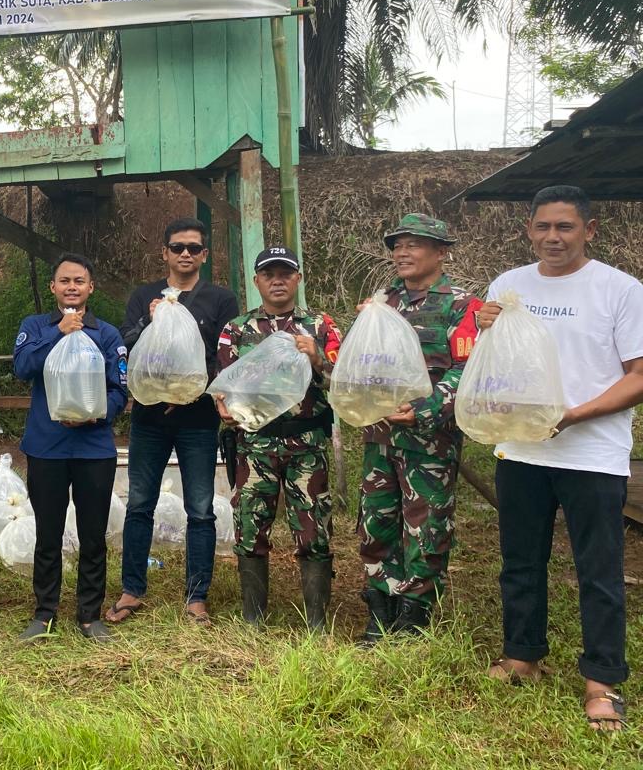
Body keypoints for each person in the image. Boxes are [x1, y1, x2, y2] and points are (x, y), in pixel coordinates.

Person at [479, 186, 643, 732]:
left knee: (598, 571)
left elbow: (638, 377)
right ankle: (522, 656)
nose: (554, 238)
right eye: (543, 227)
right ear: (528, 229)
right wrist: (483, 332)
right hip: (521, 447)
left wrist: (574, 415)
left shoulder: (619, 290)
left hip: (592, 453)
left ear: (589, 231)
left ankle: (602, 681)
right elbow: (493, 361)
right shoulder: (508, 285)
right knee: (520, 561)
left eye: (566, 228)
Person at [107, 218, 238, 627]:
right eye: (177, 246)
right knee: (139, 503)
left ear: (204, 255)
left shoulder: (220, 299)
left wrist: (195, 394)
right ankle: (132, 590)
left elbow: (225, 354)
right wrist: (149, 320)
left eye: (193, 248)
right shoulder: (144, 295)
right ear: (164, 252)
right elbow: (126, 343)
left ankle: (196, 597)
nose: (185, 253)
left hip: (198, 418)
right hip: (149, 417)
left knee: (200, 508)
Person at [357, 213, 480, 642]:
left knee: (425, 529)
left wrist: (427, 408)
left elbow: (470, 369)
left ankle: (414, 619)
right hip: (379, 437)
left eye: (414, 244)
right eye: (397, 245)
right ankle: (380, 608)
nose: (402, 252)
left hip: (430, 442)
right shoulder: (380, 303)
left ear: (441, 252)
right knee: (376, 524)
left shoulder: (462, 306)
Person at [212, 247, 342, 629]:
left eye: (285, 272)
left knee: (314, 530)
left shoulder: (320, 326)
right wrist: (224, 407)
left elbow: (345, 381)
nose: (277, 280)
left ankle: (316, 622)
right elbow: (227, 385)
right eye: (269, 274)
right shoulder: (237, 330)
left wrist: (318, 359)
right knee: (250, 529)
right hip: (255, 446)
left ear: (298, 278)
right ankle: (254, 619)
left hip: (306, 445)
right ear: (257, 282)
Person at [13, 253, 128, 642]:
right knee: (48, 532)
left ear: (90, 287)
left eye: (79, 280)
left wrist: (95, 414)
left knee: (92, 534)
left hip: (93, 448)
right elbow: (23, 368)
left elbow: (120, 389)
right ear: (53, 287)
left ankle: (89, 614)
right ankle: (44, 612)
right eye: (64, 281)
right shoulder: (35, 327)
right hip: (47, 447)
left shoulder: (107, 334)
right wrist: (58, 332)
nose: (72, 287)